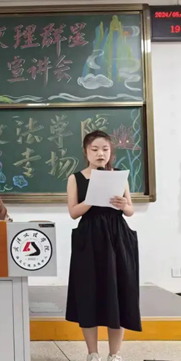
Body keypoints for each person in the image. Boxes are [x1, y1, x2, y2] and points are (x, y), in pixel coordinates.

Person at [65, 130, 141, 361]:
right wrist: (91, 200)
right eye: (95, 149)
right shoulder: (76, 178)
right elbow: (73, 212)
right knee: (88, 292)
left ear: (111, 152)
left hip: (117, 237)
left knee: (119, 293)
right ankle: (93, 353)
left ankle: (114, 354)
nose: (100, 154)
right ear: (86, 152)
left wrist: (123, 205)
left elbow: (130, 210)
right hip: (89, 238)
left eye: (105, 149)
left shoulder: (119, 176)